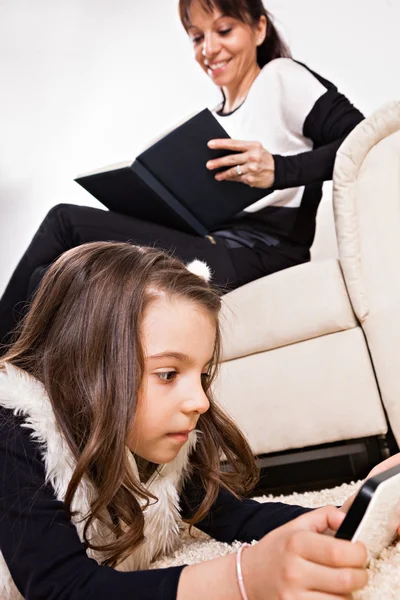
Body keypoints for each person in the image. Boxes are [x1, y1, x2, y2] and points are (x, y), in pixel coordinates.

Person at [0, 240, 399, 600]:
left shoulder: (161, 445)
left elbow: (235, 517)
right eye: (168, 374)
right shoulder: (13, 432)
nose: (201, 402)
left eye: (203, 375)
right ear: (85, 366)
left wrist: (347, 516)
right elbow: (63, 589)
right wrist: (241, 579)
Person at [0, 0, 365, 351]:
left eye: (224, 30)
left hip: (261, 252)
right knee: (44, 278)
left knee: (65, 221)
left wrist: (280, 170)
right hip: (211, 243)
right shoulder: (212, 121)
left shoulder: (280, 77)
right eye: (197, 37)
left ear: (258, 29)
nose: (210, 48)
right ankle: (19, 388)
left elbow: (363, 140)